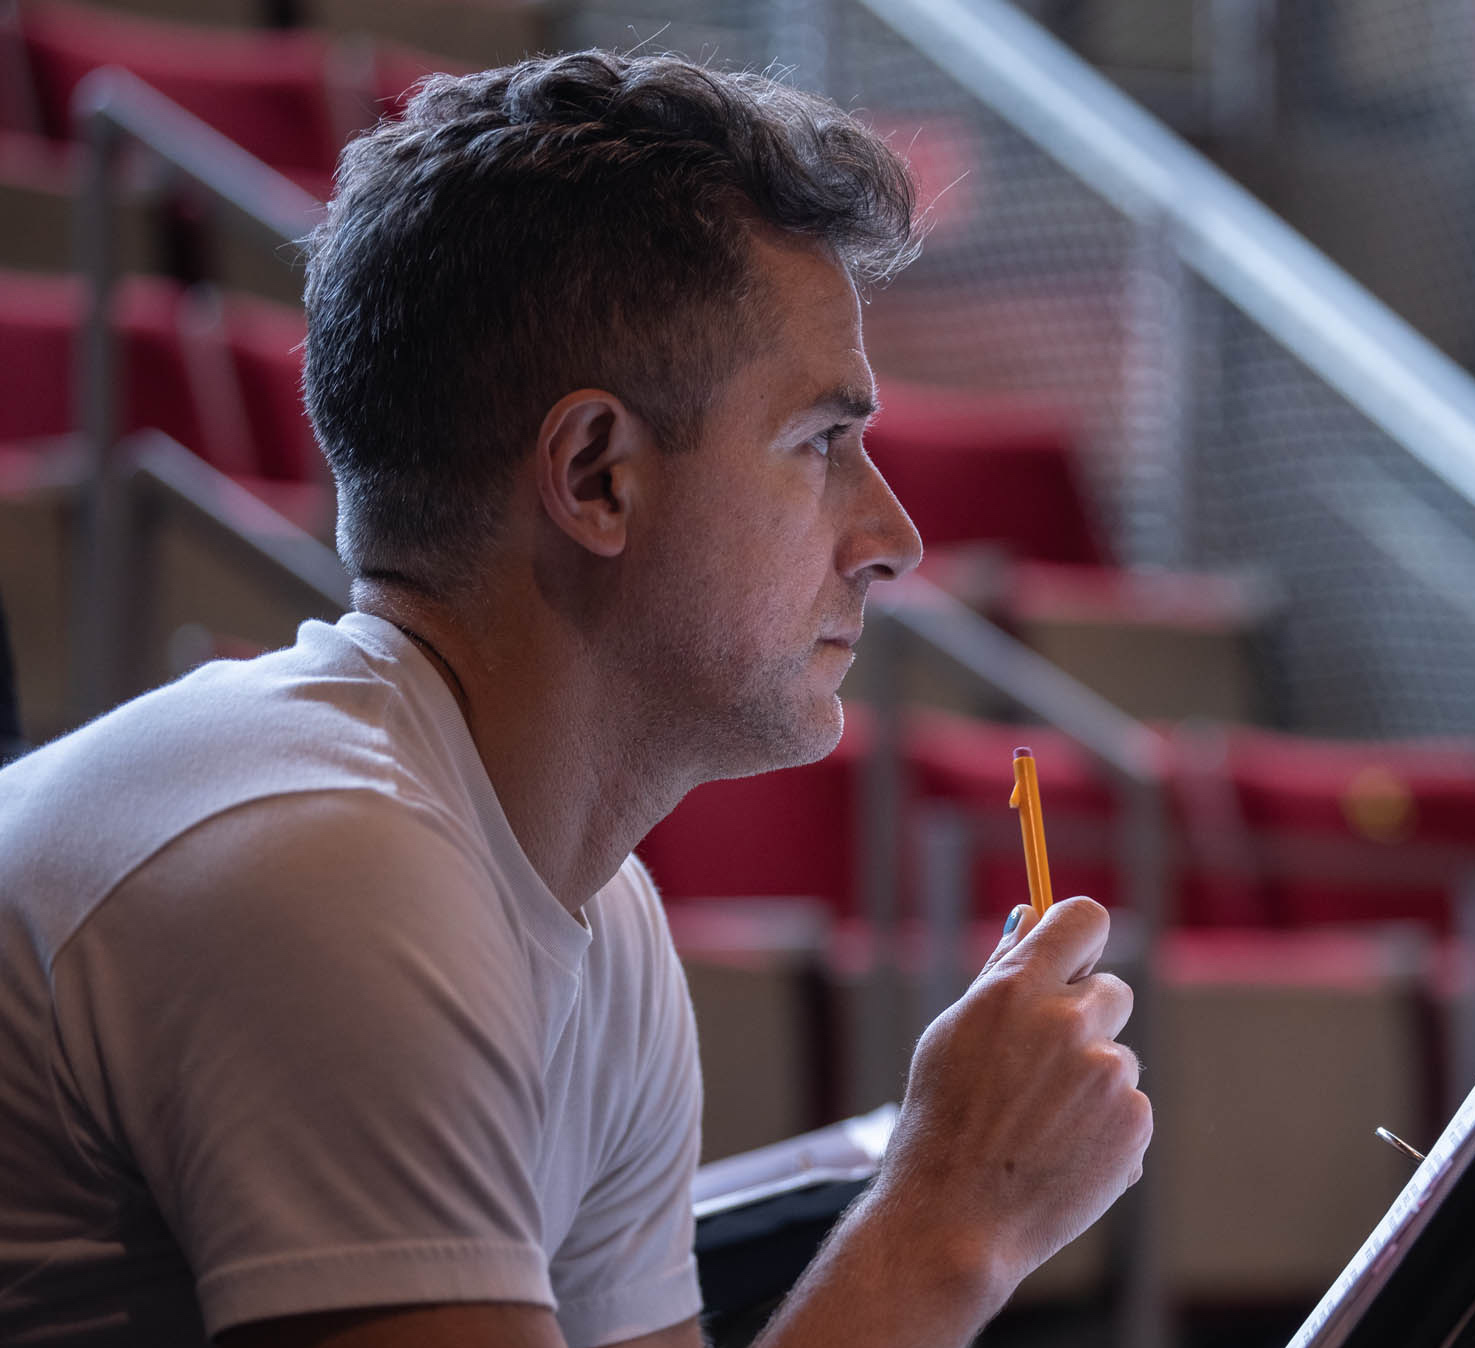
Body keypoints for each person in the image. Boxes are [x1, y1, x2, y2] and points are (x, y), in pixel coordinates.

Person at [0, 51, 1151, 1347]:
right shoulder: (327, 871)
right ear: (598, 476)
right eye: (822, 443)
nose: (893, 535)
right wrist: (952, 1222)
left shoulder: (592, 914)